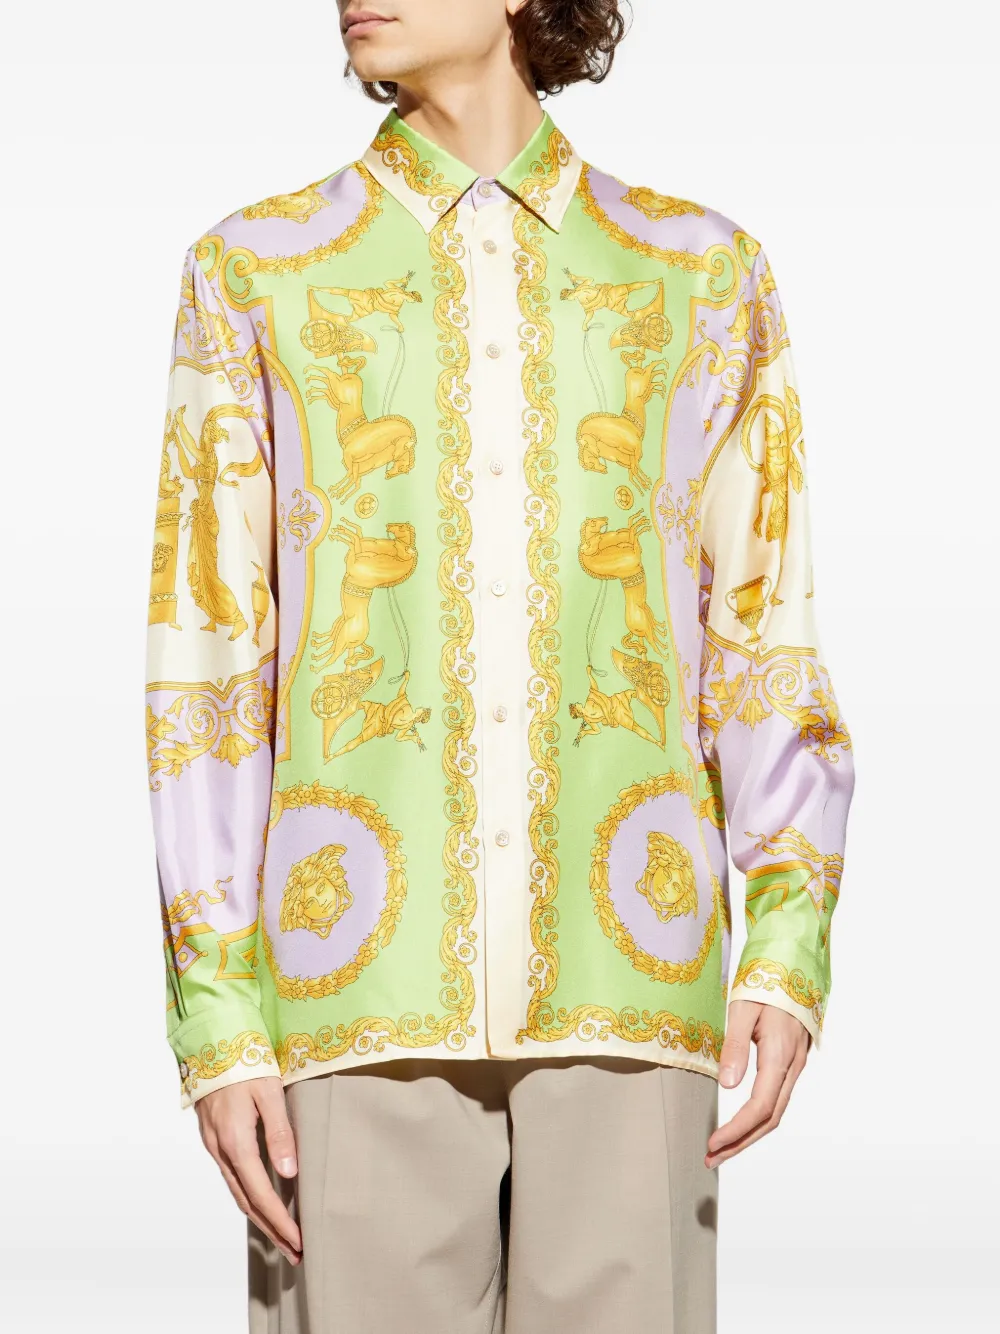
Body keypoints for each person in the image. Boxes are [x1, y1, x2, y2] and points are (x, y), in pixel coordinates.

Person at [144, 3, 857, 1330]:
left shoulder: (700, 272)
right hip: (347, 994)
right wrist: (218, 1012)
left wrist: (784, 945)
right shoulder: (252, 272)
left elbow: (763, 624)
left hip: (632, 982)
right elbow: (209, 660)